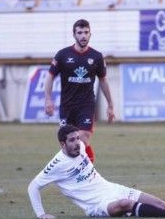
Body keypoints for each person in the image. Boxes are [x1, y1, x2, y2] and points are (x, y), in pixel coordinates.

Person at [28, 124, 165, 219]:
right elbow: (33, 186)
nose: (77, 143)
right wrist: (41, 214)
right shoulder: (57, 164)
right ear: (62, 144)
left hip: (111, 188)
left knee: (160, 204)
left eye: (77, 138)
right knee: (126, 204)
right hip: (97, 205)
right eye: (72, 140)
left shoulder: (81, 146)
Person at [44, 19, 115, 163]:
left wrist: (110, 105)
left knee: (82, 137)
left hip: (86, 105)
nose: (83, 36)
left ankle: (88, 173)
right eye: (80, 32)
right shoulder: (62, 55)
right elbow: (50, 77)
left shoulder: (96, 57)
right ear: (74, 34)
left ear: (90, 34)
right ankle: (74, 173)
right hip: (67, 105)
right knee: (68, 143)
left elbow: (103, 80)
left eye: (86, 32)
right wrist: (48, 99)